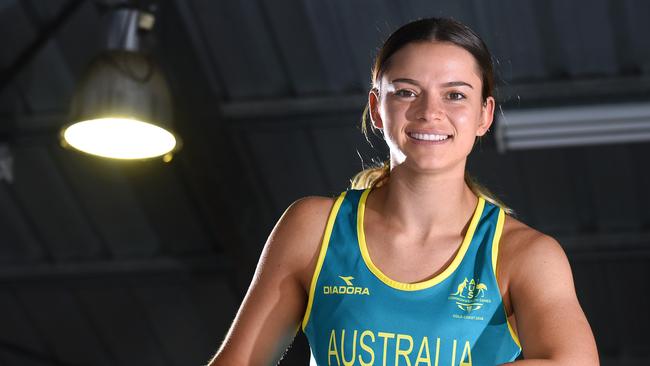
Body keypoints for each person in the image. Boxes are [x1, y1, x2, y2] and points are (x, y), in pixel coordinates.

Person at [209, 17, 599, 366]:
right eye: (407, 92)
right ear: (377, 109)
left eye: (456, 94)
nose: (430, 111)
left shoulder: (523, 255)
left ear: (484, 114)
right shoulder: (314, 229)